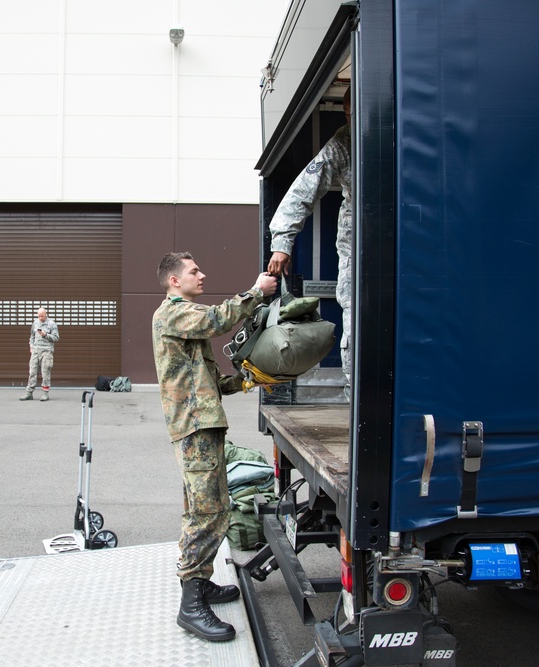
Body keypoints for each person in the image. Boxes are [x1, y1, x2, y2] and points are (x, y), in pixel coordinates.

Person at [152, 252, 277, 642]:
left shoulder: (181, 318)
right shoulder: (173, 313)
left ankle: (199, 585)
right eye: (194, 271)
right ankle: (191, 605)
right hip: (194, 428)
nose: (202, 275)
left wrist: (247, 379)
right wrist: (256, 292)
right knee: (208, 513)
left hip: (202, 425)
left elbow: (207, 379)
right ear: (175, 280)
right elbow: (216, 319)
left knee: (209, 508)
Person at [267, 85, 353, 400]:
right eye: (347, 115)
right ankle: (357, 400)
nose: (350, 120)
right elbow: (304, 189)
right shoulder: (345, 143)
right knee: (356, 326)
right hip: (357, 252)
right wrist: (283, 241)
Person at [19, 307, 59, 402]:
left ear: (46, 314)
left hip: (46, 351)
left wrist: (45, 335)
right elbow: (32, 336)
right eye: (39, 316)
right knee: (32, 371)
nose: (40, 318)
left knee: (45, 372)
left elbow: (56, 337)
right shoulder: (35, 323)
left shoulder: (51, 324)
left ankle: (45, 393)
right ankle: (29, 392)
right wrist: (31, 346)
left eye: (42, 316)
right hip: (36, 351)